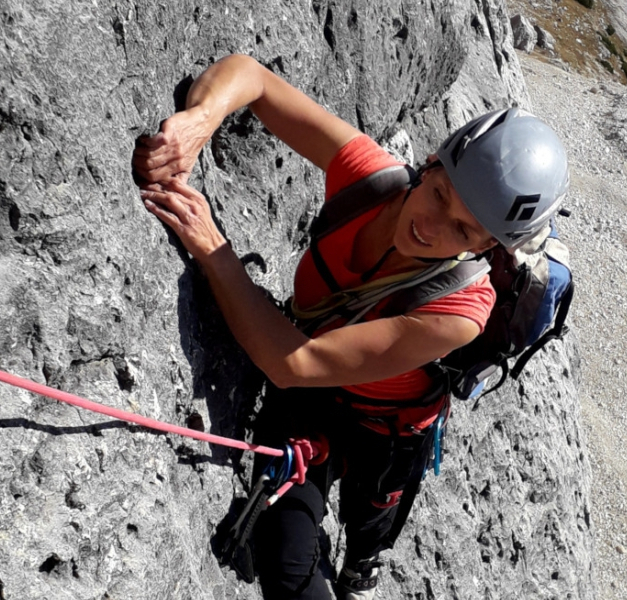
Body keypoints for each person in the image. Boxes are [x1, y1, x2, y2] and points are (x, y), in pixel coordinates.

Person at [133, 54, 568, 600]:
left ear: (485, 248)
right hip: (312, 400)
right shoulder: (373, 181)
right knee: (286, 564)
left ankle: (363, 564)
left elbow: (292, 363)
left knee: (369, 523)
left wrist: (215, 251)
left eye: (463, 228)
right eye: (438, 194)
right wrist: (202, 117)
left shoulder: (461, 314)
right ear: (431, 163)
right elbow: (254, 79)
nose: (431, 227)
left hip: (383, 431)